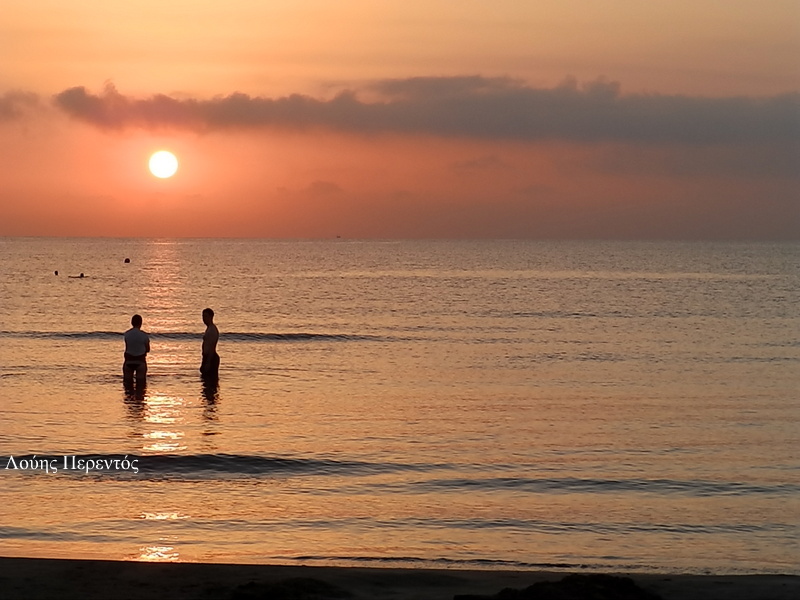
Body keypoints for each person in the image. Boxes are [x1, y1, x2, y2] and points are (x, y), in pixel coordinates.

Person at [123, 314, 150, 386]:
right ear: (141, 323)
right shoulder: (144, 335)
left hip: (128, 361)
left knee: (127, 386)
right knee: (141, 386)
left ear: (131, 323)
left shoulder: (127, 334)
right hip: (140, 361)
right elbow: (147, 349)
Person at [200, 308, 220, 378]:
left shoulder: (212, 330)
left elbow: (212, 347)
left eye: (206, 316)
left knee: (210, 381)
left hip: (211, 357)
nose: (204, 319)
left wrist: (208, 362)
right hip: (207, 357)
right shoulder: (208, 329)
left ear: (211, 317)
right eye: (203, 316)